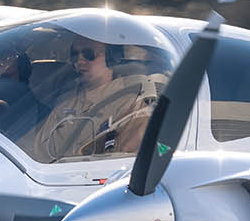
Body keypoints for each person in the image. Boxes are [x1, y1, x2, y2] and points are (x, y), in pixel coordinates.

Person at [32, 37, 162, 160]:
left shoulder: (130, 102)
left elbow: (122, 162)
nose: (79, 61)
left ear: (112, 58)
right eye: (75, 55)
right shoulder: (67, 98)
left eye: (89, 54)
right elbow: (38, 150)